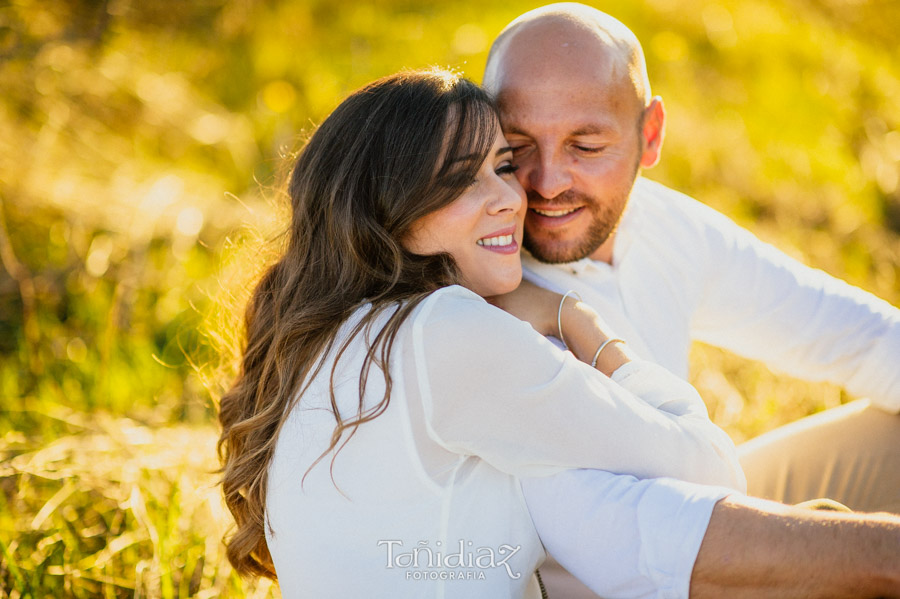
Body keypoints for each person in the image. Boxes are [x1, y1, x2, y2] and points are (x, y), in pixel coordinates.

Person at [216, 67, 746, 598]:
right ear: (389, 210)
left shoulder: (335, 337)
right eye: (462, 179)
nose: (514, 200)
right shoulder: (444, 334)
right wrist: (578, 320)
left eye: (504, 167)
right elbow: (710, 467)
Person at [482, 3, 900, 596]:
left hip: (698, 498)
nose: (547, 183)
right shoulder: (482, 289)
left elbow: (855, 336)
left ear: (649, 136)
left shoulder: (659, 225)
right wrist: (873, 553)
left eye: (587, 145)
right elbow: (632, 537)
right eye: (518, 144)